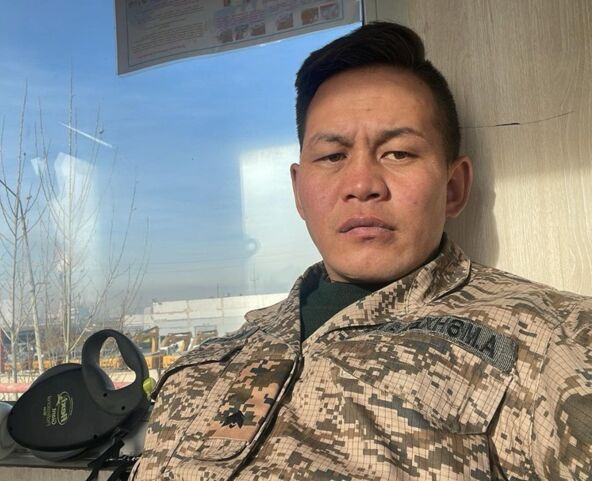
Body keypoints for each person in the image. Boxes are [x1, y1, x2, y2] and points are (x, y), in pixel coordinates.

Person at [132, 22, 591, 480]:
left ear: (453, 187)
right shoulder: (211, 358)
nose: (362, 185)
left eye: (399, 153)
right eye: (333, 156)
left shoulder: (556, 340)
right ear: (299, 191)